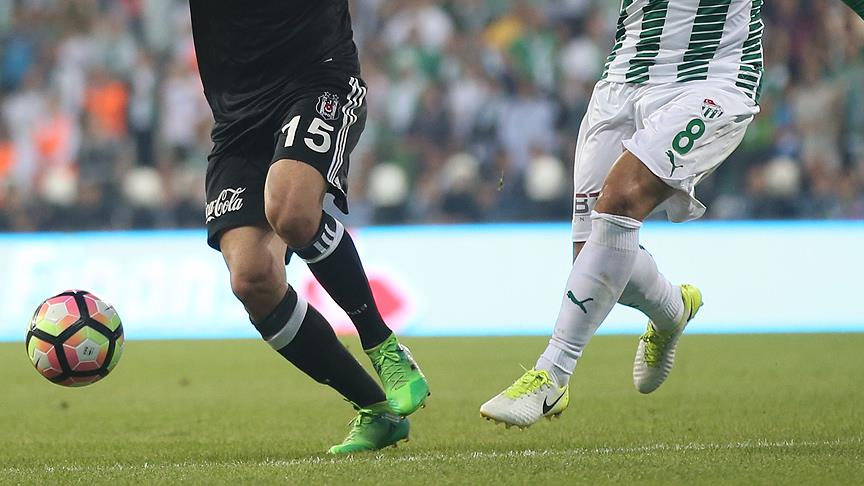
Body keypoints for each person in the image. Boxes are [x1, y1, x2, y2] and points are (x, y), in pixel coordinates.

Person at [481, 0, 864, 428]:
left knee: (621, 199)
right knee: (592, 256)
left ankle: (551, 375)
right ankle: (671, 308)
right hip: (623, 78)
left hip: (712, 78)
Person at [190, 1, 429, 452]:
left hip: (316, 79)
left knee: (291, 211)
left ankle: (383, 346)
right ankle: (376, 410)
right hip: (237, 118)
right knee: (252, 278)